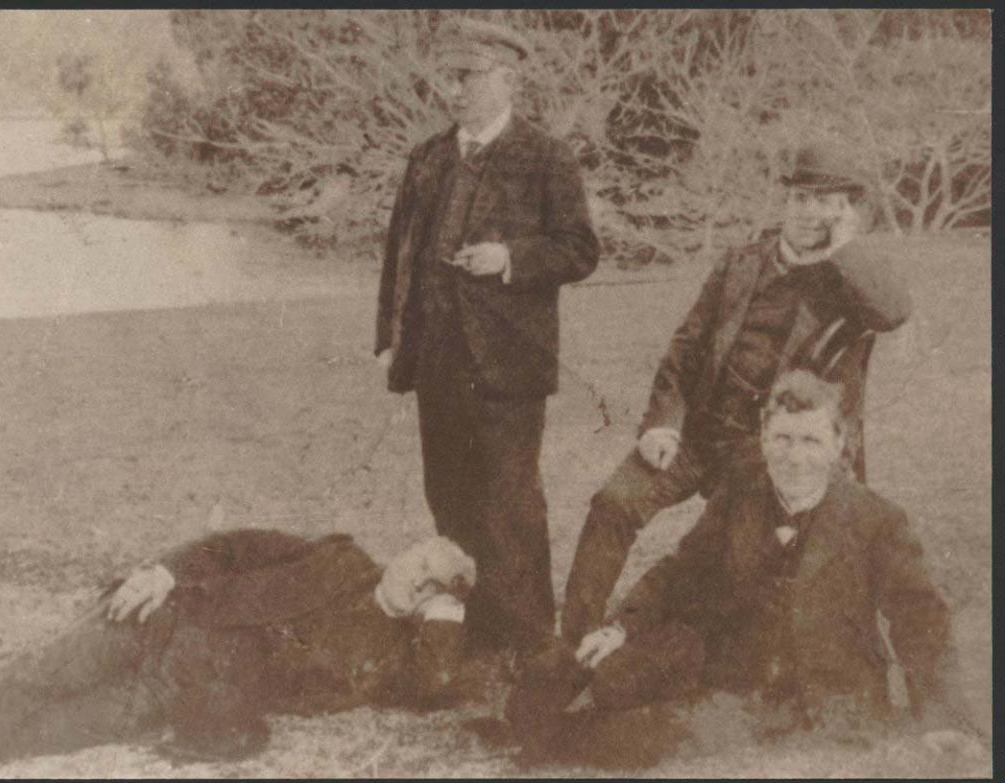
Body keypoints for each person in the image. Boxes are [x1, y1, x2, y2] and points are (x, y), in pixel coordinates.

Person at [505, 371, 979, 769]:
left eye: (812, 440)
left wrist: (941, 717)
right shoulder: (744, 488)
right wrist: (622, 626)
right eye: (783, 439)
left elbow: (922, 621)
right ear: (763, 437)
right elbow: (683, 568)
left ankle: (556, 740)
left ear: (839, 444)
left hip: (812, 698)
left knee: (636, 737)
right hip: (731, 668)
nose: (795, 458)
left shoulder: (878, 520)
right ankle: (534, 722)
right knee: (578, 673)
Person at [560, 140, 913, 646]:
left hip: (773, 447)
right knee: (614, 502)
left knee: (716, 546)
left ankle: (663, 642)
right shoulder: (741, 263)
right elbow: (685, 349)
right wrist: (663, 422)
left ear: (844, 213)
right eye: (800, 198)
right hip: (698, 432)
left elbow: (895, 310)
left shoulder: (849, 281)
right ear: (785, 202)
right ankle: (573, 641)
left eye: (825, 201)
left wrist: (845, 249)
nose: (808, 212)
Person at [0, 531, 480, 777]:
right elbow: (232, 547)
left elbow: (434, 685)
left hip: (185, 691)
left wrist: (443, 622)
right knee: (45, 672)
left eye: (435, 585)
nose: (418, 579)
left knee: (58, 730)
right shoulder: (337, 557)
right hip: (164, 618)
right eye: (420, 560)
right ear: (404, 549)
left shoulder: (397, 655)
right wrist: (162, 572)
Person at [374, 17, 599, 655]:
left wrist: (510, 259)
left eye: (466, 76)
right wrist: (395, 337)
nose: (453, 90)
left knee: (510, 502)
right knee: (447, 492)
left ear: (508, 77)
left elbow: (581, 250)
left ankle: (528, 640)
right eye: (448, 76)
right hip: (438, 362)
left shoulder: (546, 156)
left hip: (508, 365)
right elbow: (402, 254)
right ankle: (472, 626)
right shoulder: (429, 156)